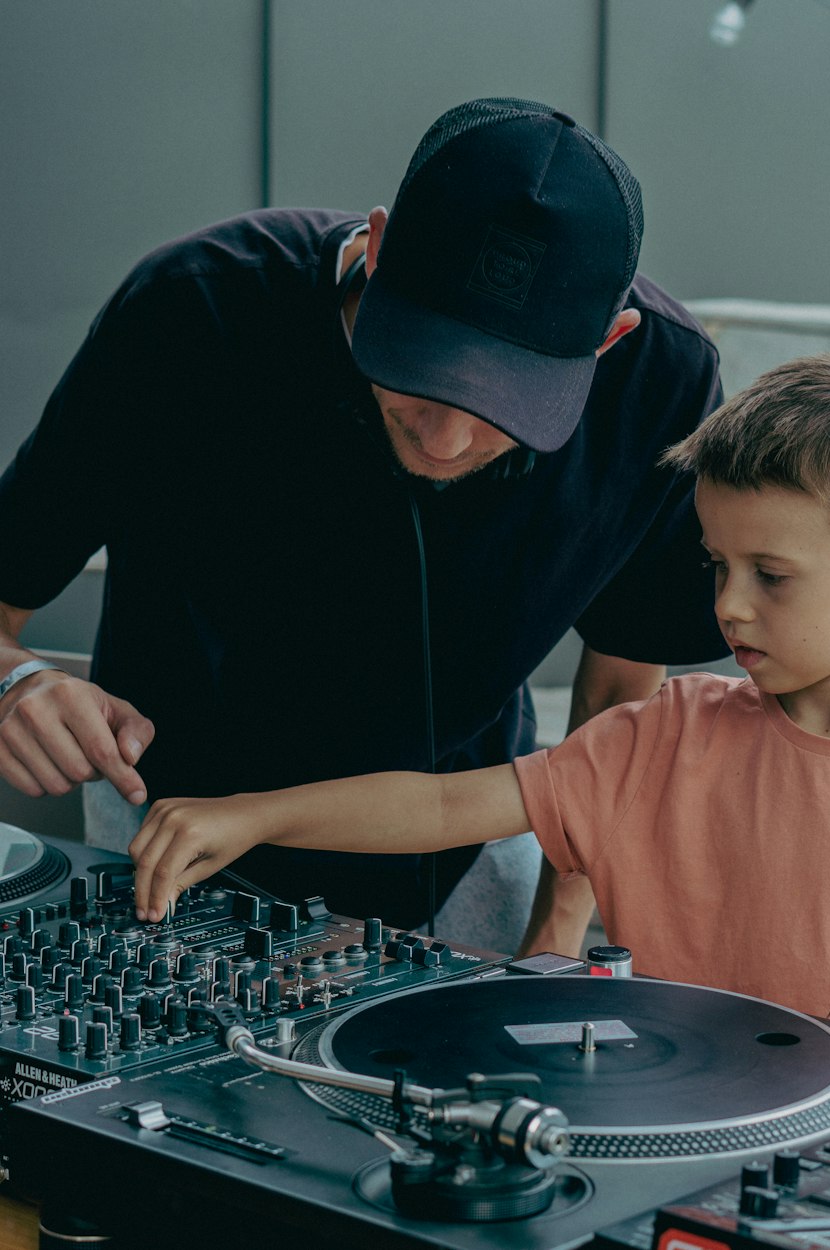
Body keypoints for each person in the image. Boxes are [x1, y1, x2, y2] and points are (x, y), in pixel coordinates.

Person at [0, 97, 727, 953]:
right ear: (378, 253)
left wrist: (557, 934)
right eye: (422, 378)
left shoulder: (664, 385)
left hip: (469, 862)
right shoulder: (192, 310)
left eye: (506, 407)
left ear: (609, 342)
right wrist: (16, 684)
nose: (447, 439)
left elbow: (616, 698)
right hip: (168, 842)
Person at [129, 351, 830, 1059]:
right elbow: (439, 804)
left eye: (770, 576)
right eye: (715, 566)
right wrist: (250, 815)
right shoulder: (664, 735)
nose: (728, 606)